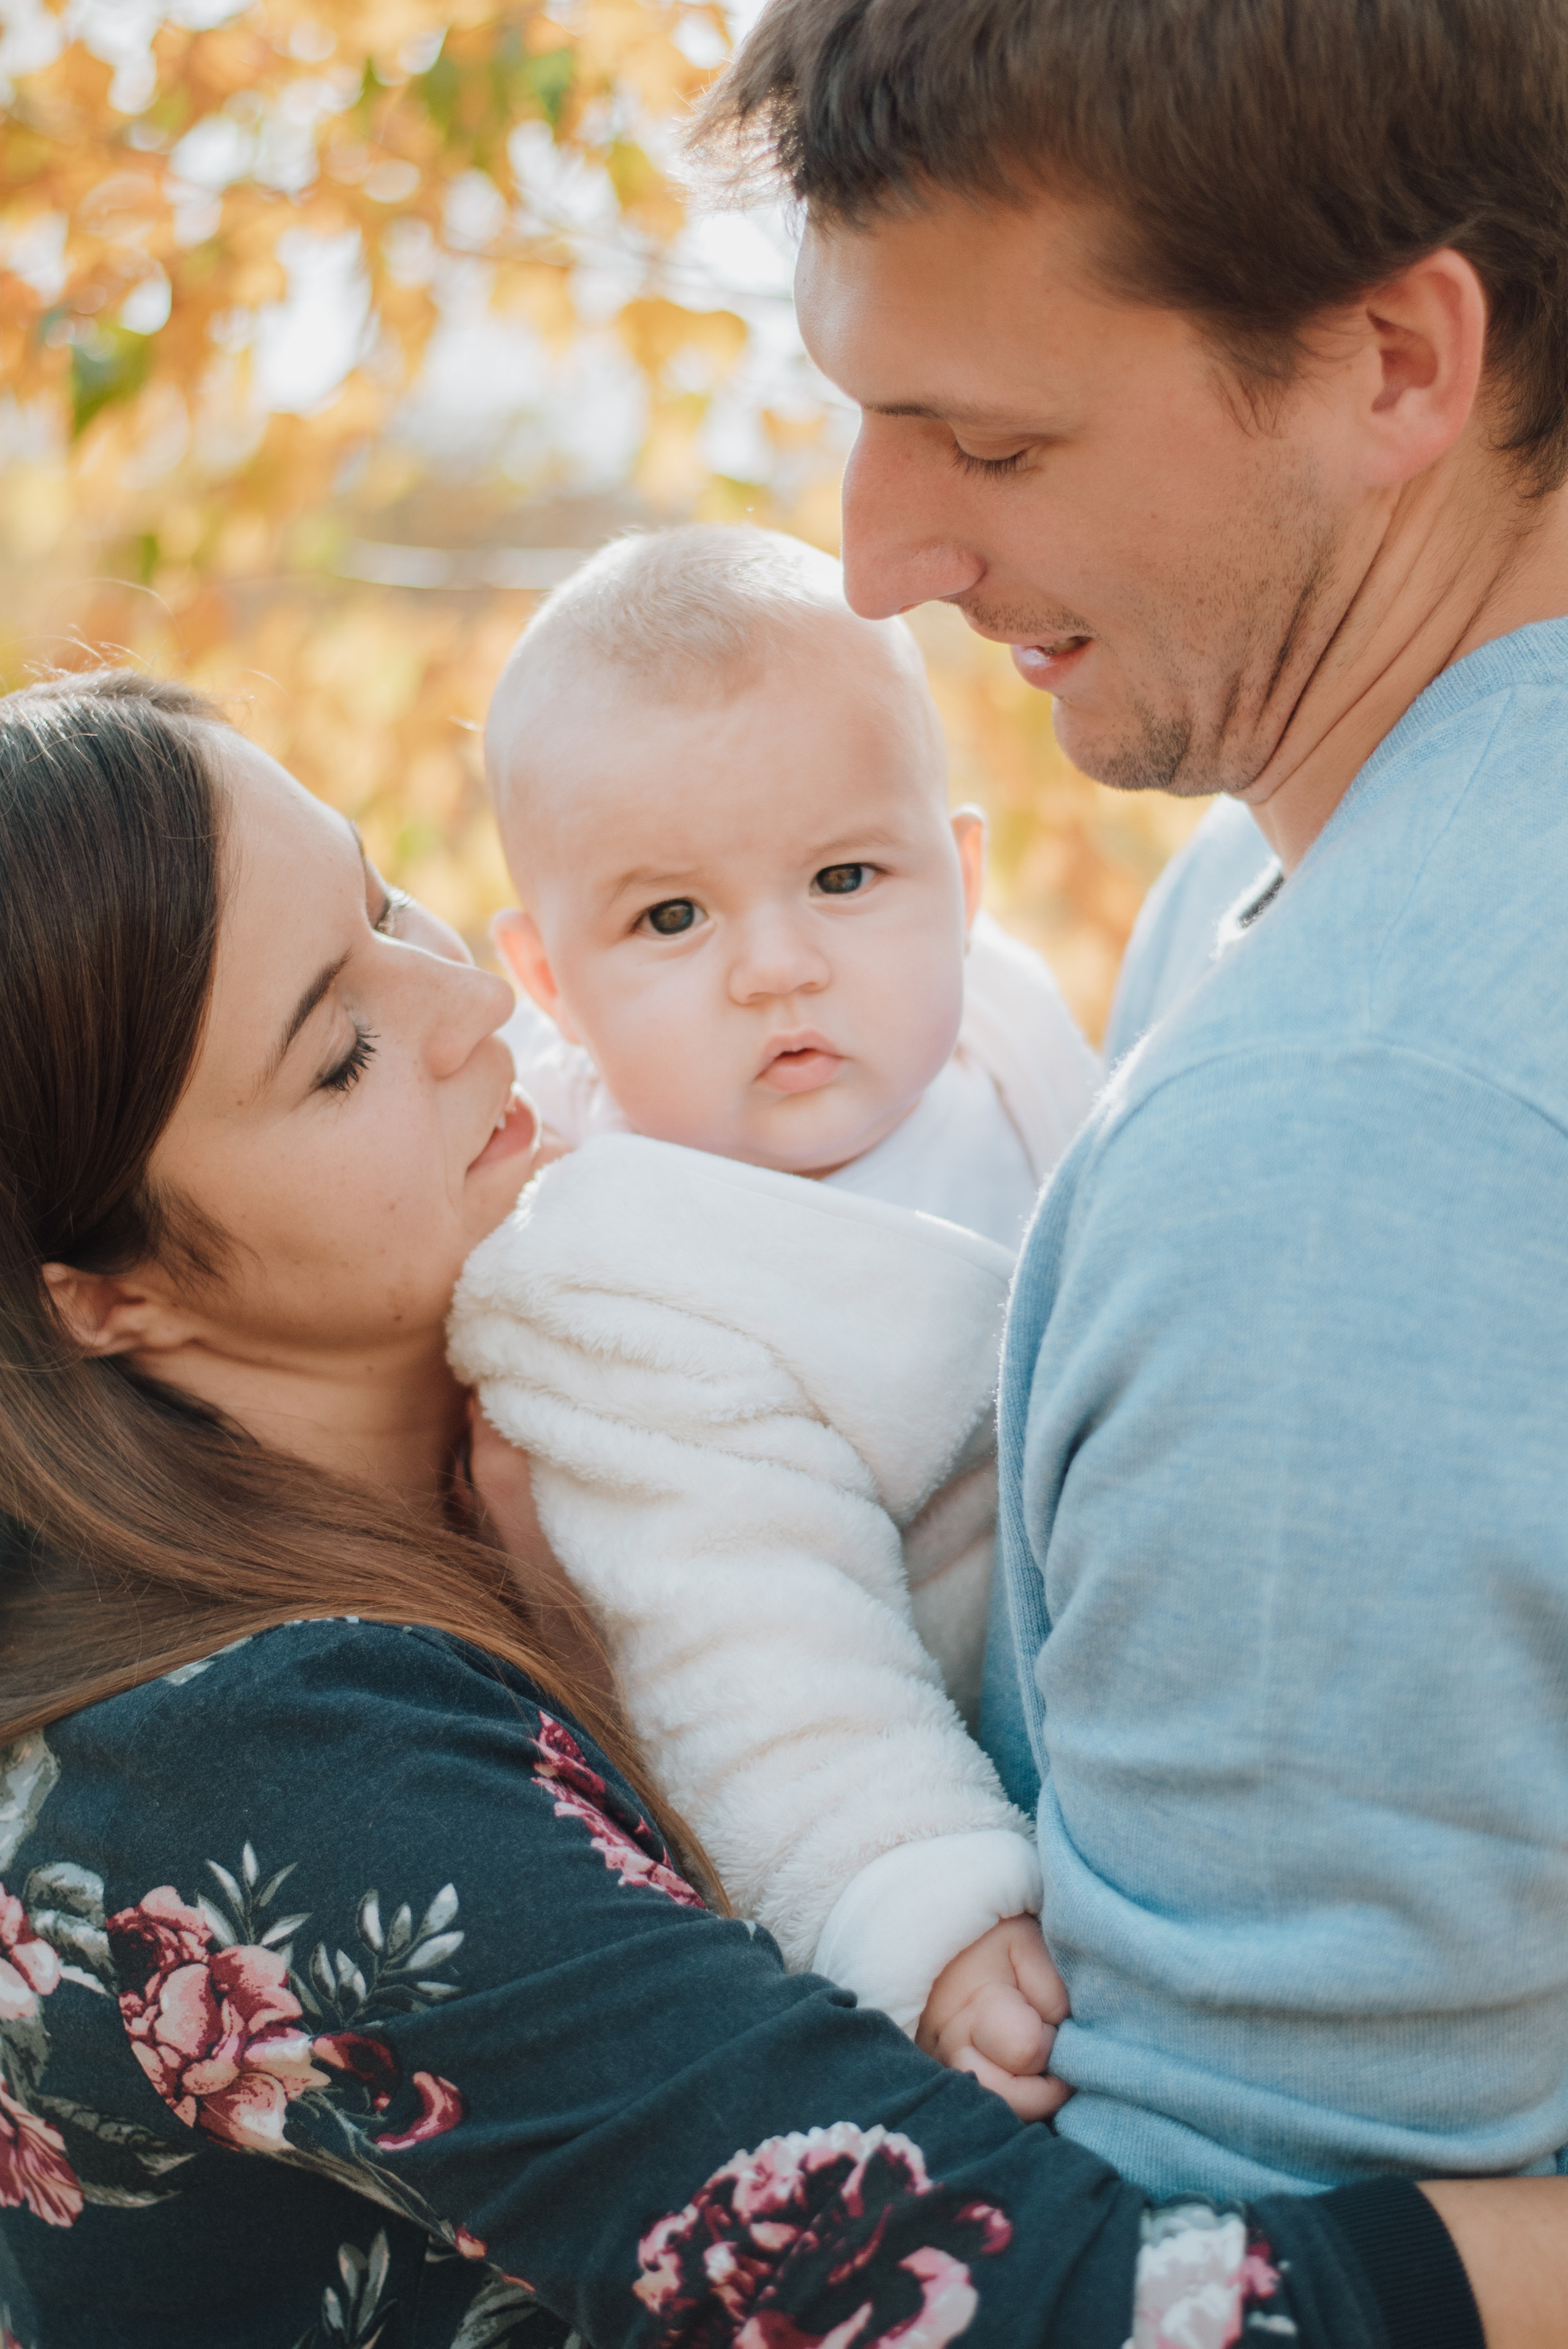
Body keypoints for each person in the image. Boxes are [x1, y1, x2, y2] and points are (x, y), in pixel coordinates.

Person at [0, 668, 1552, 2348]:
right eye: (338, 1050)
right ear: (101, 1292)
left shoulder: (565, 1437)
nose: (459, 1005)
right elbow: (1058, 2314)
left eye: (385, 898)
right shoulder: (267, 1762)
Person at [699, 0, 1568, 2204]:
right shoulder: (1249, 893)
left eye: (988, 446)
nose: (878, 554)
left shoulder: (1346, 1137)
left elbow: (1268, 2262)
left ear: (1398, 360)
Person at [449, 523, 1094, 2077]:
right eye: (671, 918)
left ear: (963, 876)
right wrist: (919, 1906)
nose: (776, 965)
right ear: (552, 986)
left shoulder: (1003, 1040)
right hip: (936, 1789)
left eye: (845, 875)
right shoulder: (615, 1277)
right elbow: (741, 1651)